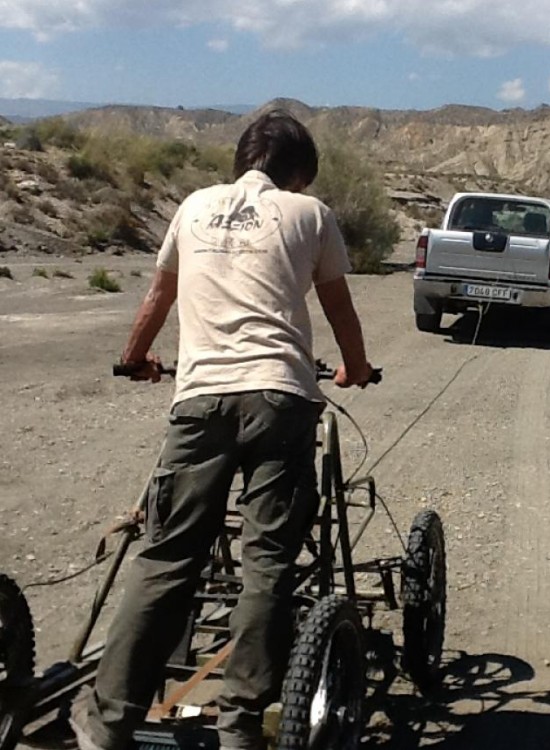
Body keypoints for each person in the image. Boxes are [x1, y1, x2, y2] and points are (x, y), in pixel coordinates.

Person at [70, 109, 375, 750]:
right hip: (281, 397)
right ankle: (241, 725)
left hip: (201, 399)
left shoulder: (194, 207)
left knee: (165, 557)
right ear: (298, 172)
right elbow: (338, 307)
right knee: (267, 563)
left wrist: (135, 358)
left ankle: (109, 723)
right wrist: (356, 367)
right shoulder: (309, 213)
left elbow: (160, 296)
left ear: (241, 161)